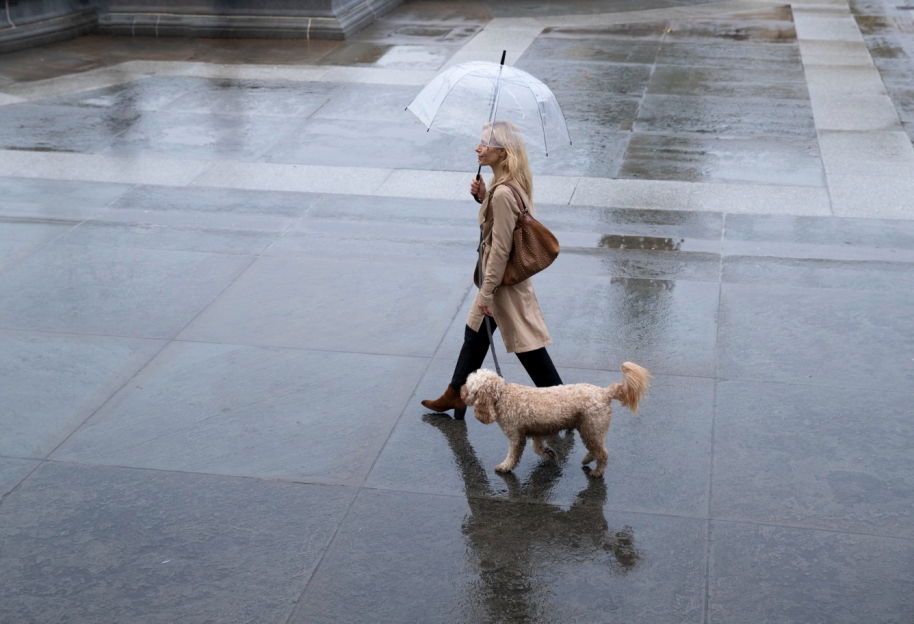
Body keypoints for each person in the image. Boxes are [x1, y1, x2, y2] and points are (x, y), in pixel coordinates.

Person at [421, 120, 562, 419]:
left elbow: (500, 249)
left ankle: (562, 404)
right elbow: (503, 224)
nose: (477, 147)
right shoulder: (506, 186)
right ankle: (456, 393)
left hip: (501, 284)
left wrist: (487, 293)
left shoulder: (502, 194)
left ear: (502, 151)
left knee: (528, 348)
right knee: (475, 333)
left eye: (485, 143)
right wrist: (482, 196)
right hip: (499, 281)